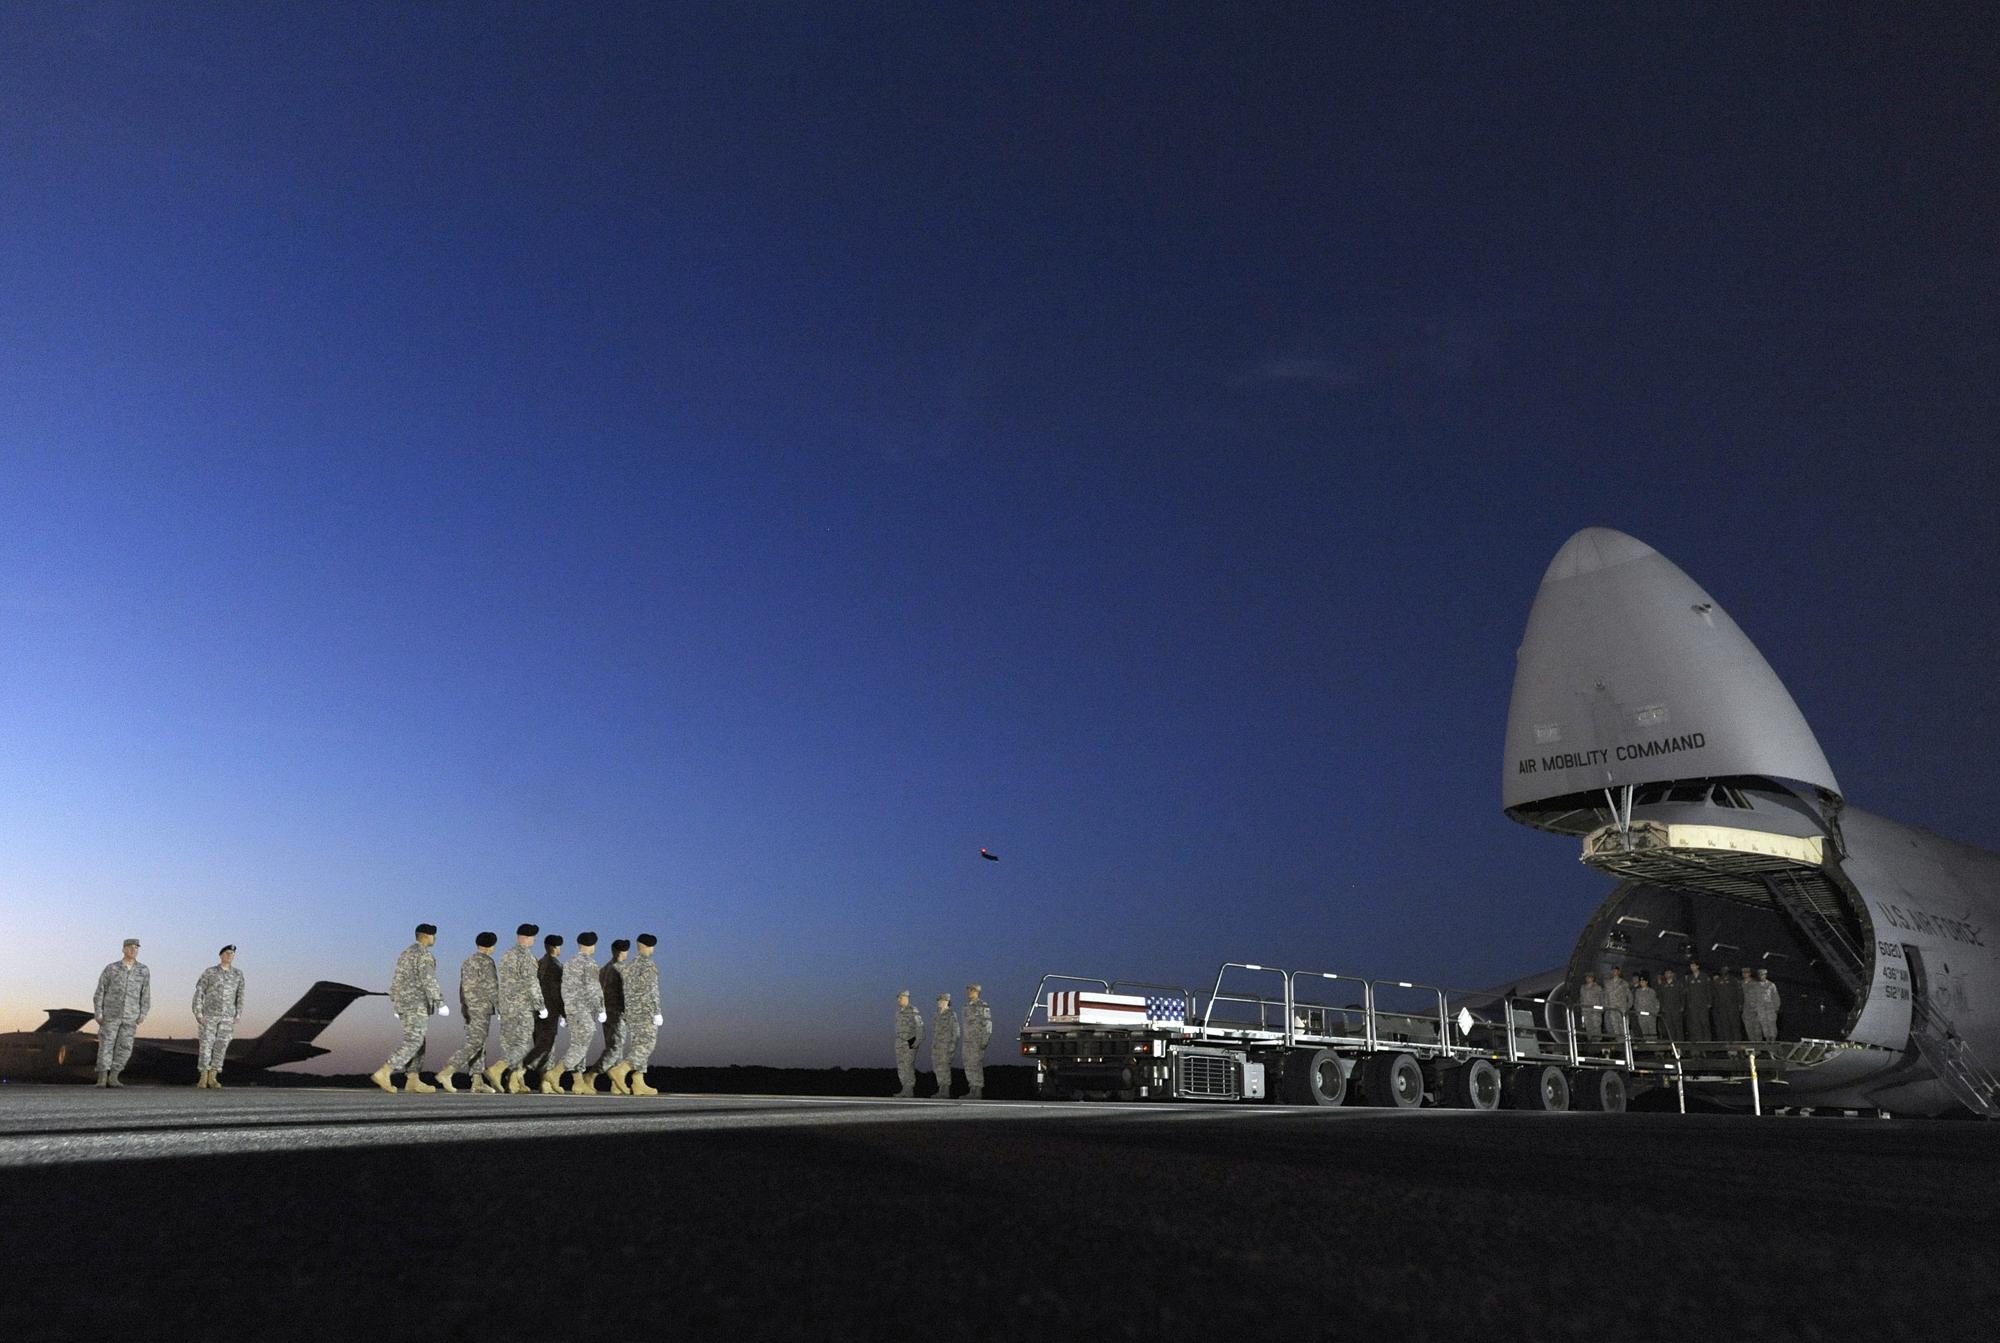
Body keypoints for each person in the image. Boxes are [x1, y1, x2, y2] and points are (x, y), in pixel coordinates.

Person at [372, 923, 445, 1093]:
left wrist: (396, 1003)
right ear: (427, 936)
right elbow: (429, 979)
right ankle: (386, 1071)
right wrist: (440, 1002)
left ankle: (413, 1079)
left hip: (404, 1003)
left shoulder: (405, 954)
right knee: (414, 1040)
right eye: (434, 935)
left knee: (419, 1040)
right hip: (416, 1003)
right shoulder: (423, 954)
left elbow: (397, 979)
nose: (435, 939)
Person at [485, 924, 549, 1095]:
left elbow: (501, 982)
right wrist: (540, 1006)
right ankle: (498, 1069)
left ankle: (515, 1082)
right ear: (527, 938)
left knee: (509, 1044)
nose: (534, 940)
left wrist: (500, 1006)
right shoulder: (526, 956)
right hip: (522, 1007)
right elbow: (531, 983)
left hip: (506, 1006)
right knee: (521, 1044)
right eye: (533, 937)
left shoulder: (506, 955)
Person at [439, 932, 501, 1093]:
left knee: (479, 1043)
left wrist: (463, 1006)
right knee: (476, 1042)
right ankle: (447, 1071)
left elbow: (462, 986)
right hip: (481, 1007)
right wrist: (500, 1007)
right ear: (492, 946)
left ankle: (477, 1080)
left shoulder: (468, 961)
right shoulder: (487, 961)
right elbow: (492, 987)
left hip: (469, 1007)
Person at [547, 932, 608, 1095]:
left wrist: (565, 1012)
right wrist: (601, 1009)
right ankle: (556, 1073)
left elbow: (564, 989)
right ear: (593, 945)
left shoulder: (569, 963)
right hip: (583, 1011)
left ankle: (578, 1082)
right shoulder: (590, 963)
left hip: (571, 1009)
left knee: (578, 1043)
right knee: (581, 1044)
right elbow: (594, 988)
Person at [93, 938, 151, 1088]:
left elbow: (145, 993)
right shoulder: (111, 968)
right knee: (106, 1045)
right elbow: (100, 991)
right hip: (110, 1014)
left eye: (136, 948)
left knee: (125, 1047)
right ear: (123, 949)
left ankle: (114, 1076)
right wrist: (98, 1012)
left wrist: (143, 1013)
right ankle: (102, 1077)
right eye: (130, 947)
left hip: (131, 1016)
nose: (133, 950)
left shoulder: (143, 970)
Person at [609, 933, 663, 1097]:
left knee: (638, 1044)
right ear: (650, 947)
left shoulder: (630, 965)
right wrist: (657, 1012)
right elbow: (651, 990)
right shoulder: (647, 964)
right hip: (644, 1010)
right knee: (646, 1044)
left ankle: (638, 1083)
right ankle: (621, 1070)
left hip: (631, 1011)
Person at [191, 945, 247, 1089]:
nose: (230, 956)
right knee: (206, 1045)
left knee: (221, 1046)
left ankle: (213, 1077)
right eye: (227, 953)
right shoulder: (210, 972)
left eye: (232, 954)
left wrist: (238, 1014)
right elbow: (199, 992)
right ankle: (203, 1076)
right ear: (221, 955)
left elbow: (240, 995)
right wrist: (198, 1013)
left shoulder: (238, 974)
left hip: (228, 1017)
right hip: (209, 1015)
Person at [522, 933, 565, 1076]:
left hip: (536, 1010)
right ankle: (522, 1070)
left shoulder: (539, 963)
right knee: (546, 1046)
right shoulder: (555, 966)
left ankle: (544, 1079)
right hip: (550, 1010)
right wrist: (565, 1012)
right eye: (559, 946)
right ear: (555, 947)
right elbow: (556, 992)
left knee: (540, 1043)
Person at [595, 939, 631, 1092]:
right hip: (618, 1012)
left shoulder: (604, 969)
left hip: (606, 1013)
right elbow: (627, 993)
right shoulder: (623, 969)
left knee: (613, 1046)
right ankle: (592, 1075)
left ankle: (616, 1084)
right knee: (617, 1047)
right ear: (624, 951)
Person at [961, 983, 993, 1100]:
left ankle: (978, 1089)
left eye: (971, 990)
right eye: (968, 990)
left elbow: (988, 1024)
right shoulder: (966, 1006)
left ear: (977, 991)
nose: (969, 992)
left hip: (977, 1040)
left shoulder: (982, 1005)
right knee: (968, 1064)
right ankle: (972, 1088)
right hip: (967, 1041)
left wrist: (985, 1040)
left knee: (976, 1064)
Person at [893, 990, 923, 1098]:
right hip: (900, 1042)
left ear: (906, 998)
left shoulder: (912, 1010)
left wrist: (917, 1041)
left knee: (908, 1065)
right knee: (901, 1066)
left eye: (900, 998)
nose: (898, 1000)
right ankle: (904, 1088)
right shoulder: (898, 1012)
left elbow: (919, 1026)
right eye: (898, 998)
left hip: (910, 1041)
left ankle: (909, 1089)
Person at [931, 992, 960, 1099]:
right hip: (937, 1045)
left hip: (946, 1045)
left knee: (944, 1067)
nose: (939, 1002)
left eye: (941, 1000)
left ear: (946, 1001)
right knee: (937, 1067)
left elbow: (956, 1031)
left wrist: (952, 1045)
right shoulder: (937, 1015)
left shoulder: (951, 1014)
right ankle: (940, 1089)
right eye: (938, 1000)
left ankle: (945, 1090)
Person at [1713, 964, 1743, 1043]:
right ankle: (1729, 1046)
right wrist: (1717, 1006)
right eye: (1722, 970)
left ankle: (1737, 1044)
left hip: (1733, 1006)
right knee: (1725, 1026)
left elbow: (1739, 992)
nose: (1724, 971)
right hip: (1722, 1007)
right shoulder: (1717, 981)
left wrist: (1740, 1004)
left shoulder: (1734, 980)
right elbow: (1715, 994)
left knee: (1735, 1025)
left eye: (1725, 970)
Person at [1683, 962, 1714, 1042]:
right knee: (1696, 1024)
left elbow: (1708, 990)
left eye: (1693, 966)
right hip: (1693, 1004)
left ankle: (1707, 1041)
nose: (1692, 967)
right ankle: (1699, 1041)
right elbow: (1687, 991)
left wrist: (1709, 1002)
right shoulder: (1689, 978)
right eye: (1691, 966)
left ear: (1697, 966)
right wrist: (1689, 1003)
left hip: (1703, 1004)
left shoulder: (1704, 976)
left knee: (1705, 1023)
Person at [1603, 966, 1633, 1045]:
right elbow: (1605, 995)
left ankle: (1626, 1041)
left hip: (1622, 1007)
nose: (1614, 972)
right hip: (1612, 1007)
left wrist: (1628, 1006)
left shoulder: (1624, 983)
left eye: (1616, 971)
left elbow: (1629, 995)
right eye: (1613, 971)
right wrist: (1606, 1005)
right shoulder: (1607, 983)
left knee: (1623, 1024)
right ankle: (1618, 1040)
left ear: (1619, 972)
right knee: (1614, 1024)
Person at [1656, 967, 1685, 1045]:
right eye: (1666, 973)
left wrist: (1682, 1006)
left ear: (1672, 974)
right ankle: (1673, 1046)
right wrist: (1662, 1007)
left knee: (1678, 1028)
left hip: (1676, 1009)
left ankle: (1681, 1046)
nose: (1667, 975)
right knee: (1670, 1029)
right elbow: (1660, 996)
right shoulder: (1663, 984)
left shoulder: (1677, 983)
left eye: (1669, 973)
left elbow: (1682, 995)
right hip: (1667, 1009)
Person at [1753, 967, 1783, 1041]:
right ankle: (1767, 1040)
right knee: (1764, 1025)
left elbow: (1776, 997)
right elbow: (1753, 998)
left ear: (1765, 975)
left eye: (1763, 975)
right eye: (1760, 975)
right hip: (1760, 1009)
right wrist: (1754, 1008)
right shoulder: (1755, 985)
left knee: (1772, 1024)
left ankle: (1773, 1040)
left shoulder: (1771, 985)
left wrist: (1776, 1008)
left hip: (1770, 1008)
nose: (1762, 976)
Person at [1576, 972, 1605, 1045]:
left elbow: (1602, 998)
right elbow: (1581, 998)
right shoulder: (1583, 987)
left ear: (1593, 978)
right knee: (1588, 1026)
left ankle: (1597, 1041)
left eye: (1589, 977)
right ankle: (1590, 1040)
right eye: (1586, 977)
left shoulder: (1597, 988)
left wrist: (1601, 1008)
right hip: (1586, 1010)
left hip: (1595, 1010)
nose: (1587, 978)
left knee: (1596, 1025)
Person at [1631, 973, 1659, 1042]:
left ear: (1646, 982)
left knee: (1652, 1031)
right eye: (1640, 982)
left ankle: (1654, 1045)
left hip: (1650, 1014)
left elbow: (1656, 1002)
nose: (1642, 983)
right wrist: (1637, 1012)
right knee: (1644, 1031)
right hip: (1641, 1015)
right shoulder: (1638, 991)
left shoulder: (1651, 991)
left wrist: (1655, 1013)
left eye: (1643, 981)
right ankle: (1647, 1044)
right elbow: (1636, 1003)